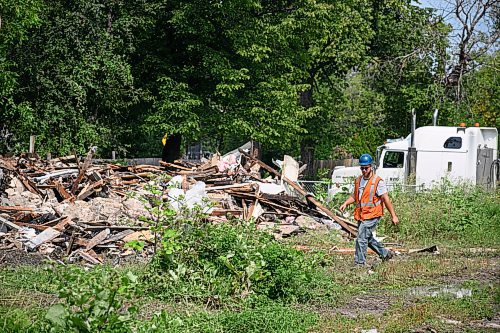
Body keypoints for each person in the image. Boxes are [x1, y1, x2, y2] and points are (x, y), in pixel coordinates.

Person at [339, 153, 399, 265]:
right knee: (368, 238)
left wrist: (393, 215)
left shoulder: (378, 181)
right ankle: (385, 254)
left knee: (361, 238)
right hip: (362, 214)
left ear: (371, 167)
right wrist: (346, 203)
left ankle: (360, 264)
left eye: (366, 168)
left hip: (373, 214)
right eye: (362, 168)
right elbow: (355, 196)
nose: (364, 170)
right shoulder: (358, 180)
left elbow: (386, 199)